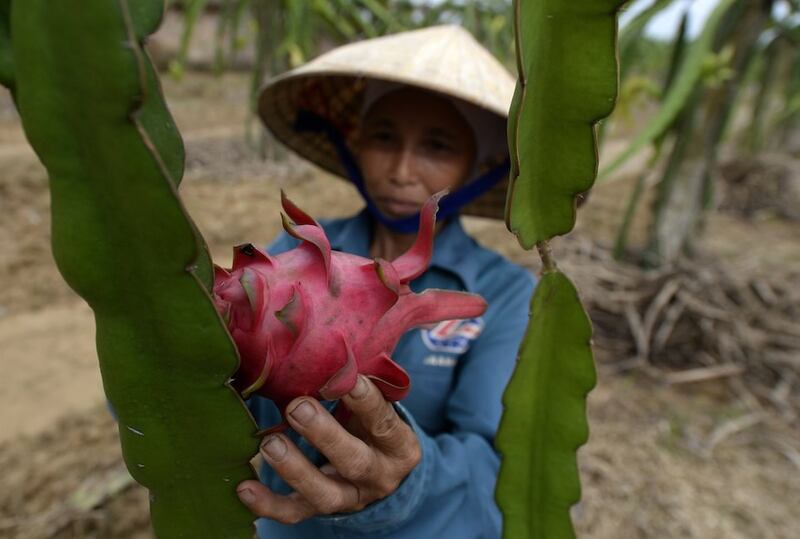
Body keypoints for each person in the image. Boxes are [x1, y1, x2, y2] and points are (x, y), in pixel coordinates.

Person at [235, 25, 536, 538]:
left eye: (437, 147)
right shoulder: (294, 253)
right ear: (352, 142)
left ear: (483, 165)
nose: (401, 170)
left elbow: (491, 459)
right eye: (383, 137)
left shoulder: (504, 294)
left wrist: (407, 482)